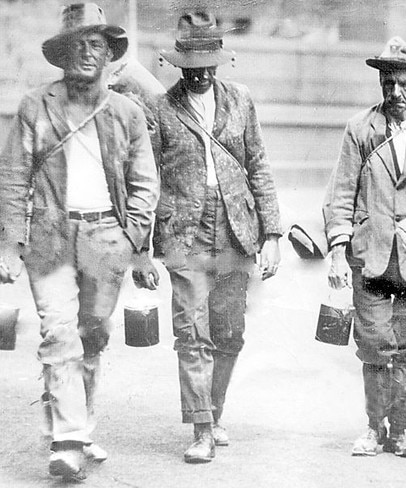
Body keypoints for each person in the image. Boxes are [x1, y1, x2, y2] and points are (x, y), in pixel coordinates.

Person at [0, 3, 158, 482]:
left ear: (110, 54)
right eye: (78, 44)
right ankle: (67, 439)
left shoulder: (127, 112)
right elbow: (13, 177)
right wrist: (10, 244)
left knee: (93, 333)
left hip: (106, 238)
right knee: (58, 331)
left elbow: (144, 182)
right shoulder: (35, 105)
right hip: (49, 237)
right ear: (62, 54)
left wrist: (132, 236)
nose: (87, 54)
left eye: (97, 45)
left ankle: (80, 427)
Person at [138, 10, 282, 464]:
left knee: (229, 332)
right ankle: (201, 427)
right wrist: (142, 244)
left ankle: (214, 412)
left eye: (208, 63)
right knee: (191, 331)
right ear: (178, 64)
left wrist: (273, 232)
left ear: (220, 62)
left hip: (236, 229)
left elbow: (258, 165)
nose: (200, 73)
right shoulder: (160, 109)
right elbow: (147, 178)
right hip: (184, 230)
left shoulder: (240, 100)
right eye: (191, 65)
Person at [323, 36, 406, 458]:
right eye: (389, 83)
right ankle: (374, 426)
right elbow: (341, 192)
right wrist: (337, 248)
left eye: (405, 84)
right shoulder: (360, 129)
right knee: (372, 345)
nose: (396, 92)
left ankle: (402, 430)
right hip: (370, 254)